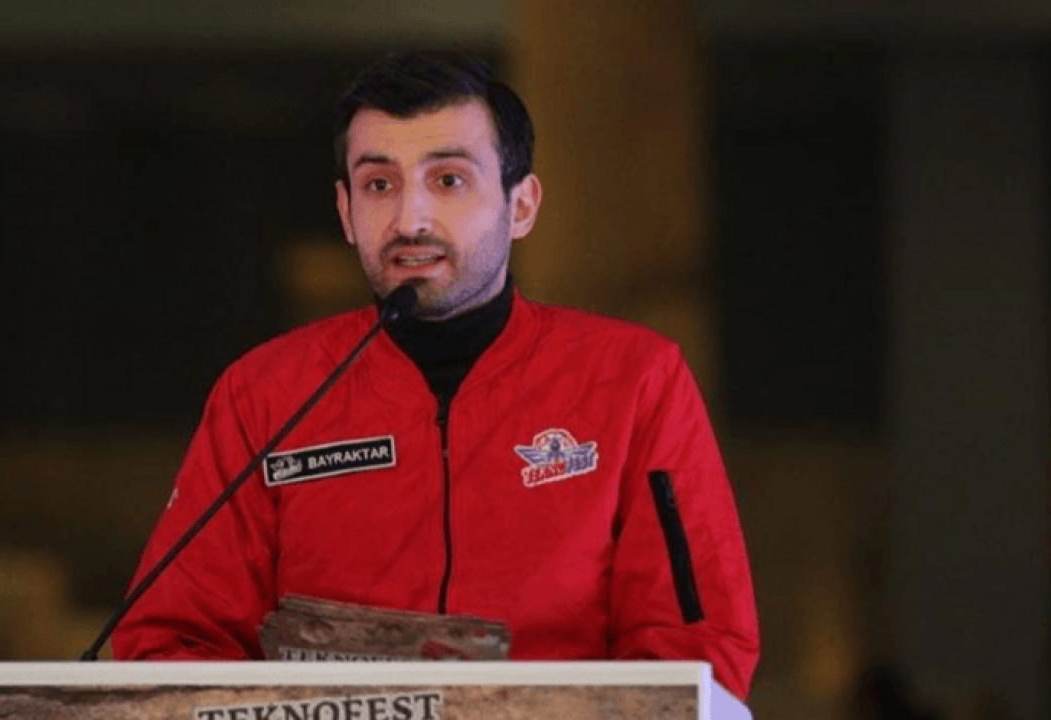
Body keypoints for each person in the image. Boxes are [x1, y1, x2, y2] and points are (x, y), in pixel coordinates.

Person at [112, 51, 760, 700]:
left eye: (448, 180)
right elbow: (169, 644)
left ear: (521, 205)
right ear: (345, 211)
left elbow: (696, 650)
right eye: (379, 185)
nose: (409, 220)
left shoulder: (634, 379)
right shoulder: (264, 394)